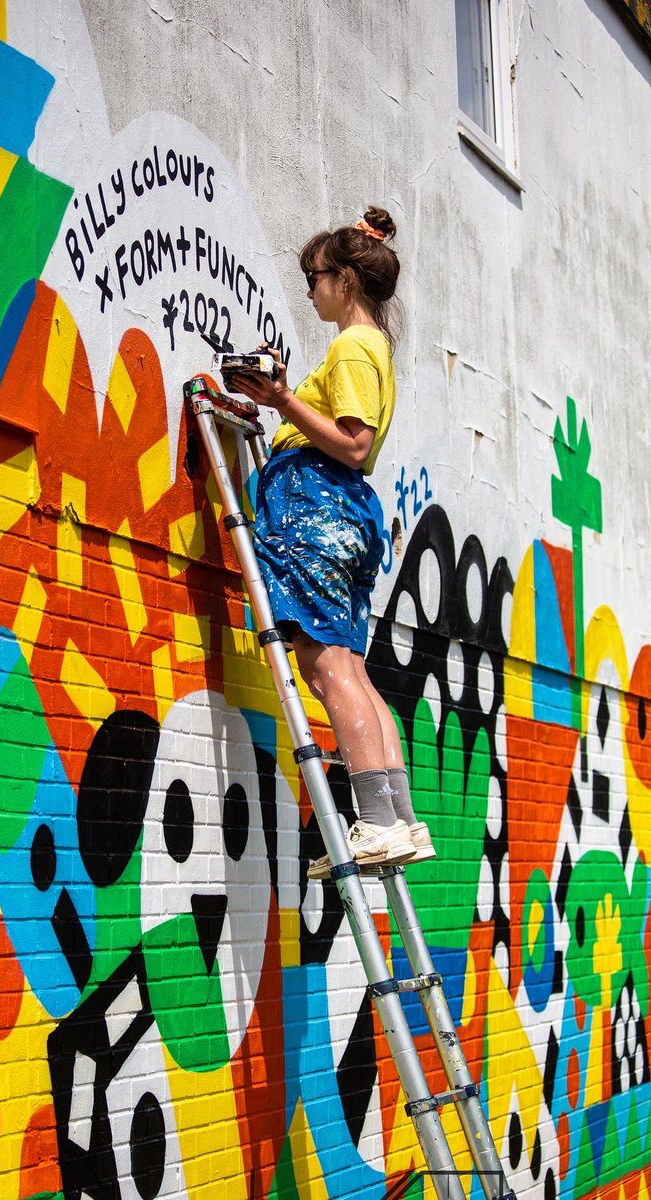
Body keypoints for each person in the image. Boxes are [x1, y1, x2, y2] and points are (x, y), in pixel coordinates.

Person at [230, 206, 434, 870]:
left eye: (315, 277)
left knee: (324, 668)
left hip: (316, 510)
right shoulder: (375, 349)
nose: (310, 290)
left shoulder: (351, 347)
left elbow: (353, 443)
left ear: (346, 280)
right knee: (350, 670)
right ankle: (396, 820)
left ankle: (374, 822)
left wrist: (282, 400)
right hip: (343, 515)